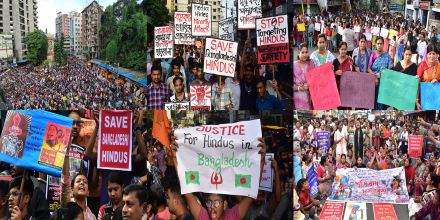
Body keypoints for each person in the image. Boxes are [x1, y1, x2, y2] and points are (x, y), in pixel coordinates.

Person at [368, 36, 393, 110]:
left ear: (383, 44)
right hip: (374, 83)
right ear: (375, 44)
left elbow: (391, 69)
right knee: (374, 102)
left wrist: (383, 73)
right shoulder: (373, 54)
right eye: (378, 43)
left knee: (382, 104)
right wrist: (374, 77)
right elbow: (368, 68)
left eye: (381, 43)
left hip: (384, 83)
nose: (379, 45)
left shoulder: (387, 56)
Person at [293, 43, 314, 110]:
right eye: (302, 52)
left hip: (309, 97)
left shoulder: (311, 64)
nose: (305, 55)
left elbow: (316, 77)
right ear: (298, 53)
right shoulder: (294, 65)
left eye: (306, 52)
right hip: (297, 98)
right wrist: (299, 88)